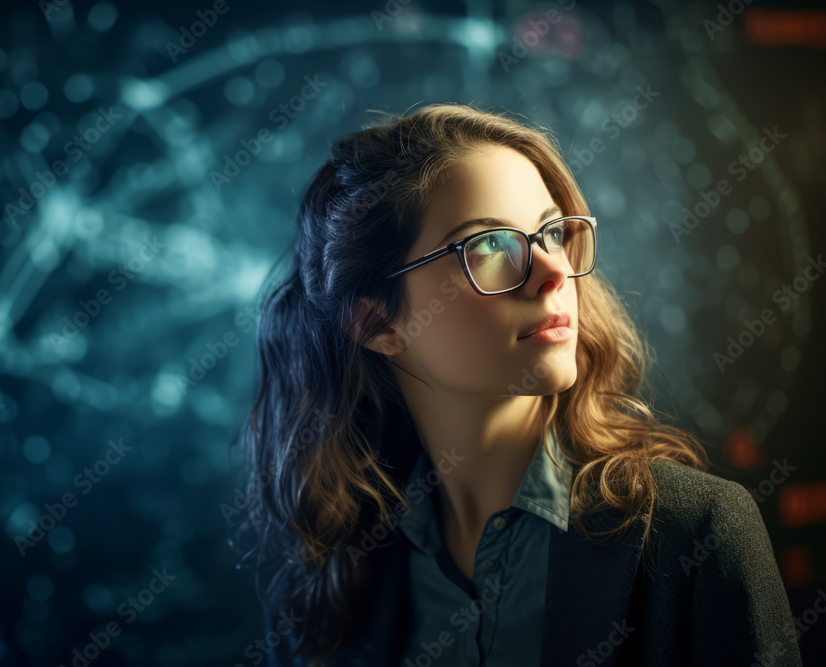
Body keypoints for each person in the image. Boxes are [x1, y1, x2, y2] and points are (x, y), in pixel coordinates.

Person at [228, 103, 803, 666]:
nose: (554, 271)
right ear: (378, 323)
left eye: (552, 233)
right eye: (490, 245)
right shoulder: (332, 576)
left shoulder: (696, 535)